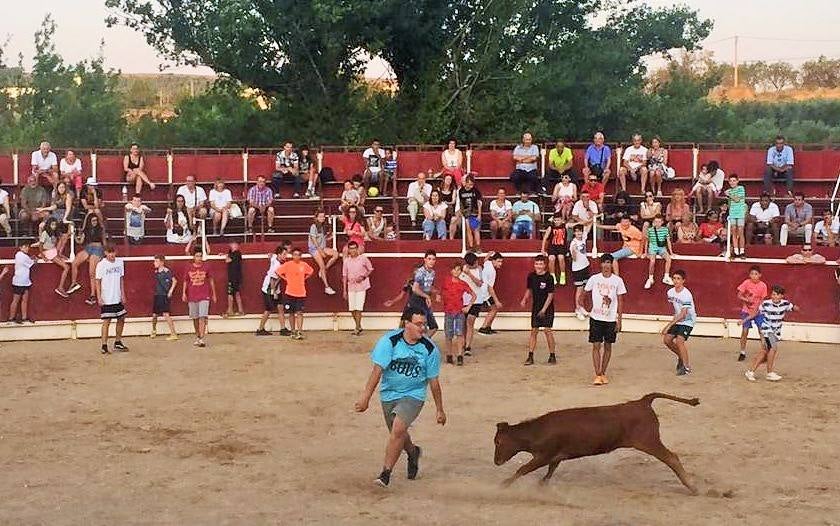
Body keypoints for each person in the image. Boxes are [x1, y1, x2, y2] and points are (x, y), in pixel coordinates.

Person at [354, 307, 446, 487]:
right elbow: (377, 371)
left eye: (425, 324)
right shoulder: (389, 341)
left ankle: (385, 474)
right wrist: (365, 398)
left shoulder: (430, 349)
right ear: (406, 324)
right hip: (389, 394)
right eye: (418, 324)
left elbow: (434, 382)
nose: (423, 328)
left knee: (397, 430)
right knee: (398, 434)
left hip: (414, 394)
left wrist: (439, 409)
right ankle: (413, 452)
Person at [584, 254, 626, 385]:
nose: (607, 265)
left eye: (609, 263)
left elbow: (620, 300)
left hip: (610, 318)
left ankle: (603, 372)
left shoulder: (617, 280)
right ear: (601, 264)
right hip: (596, 317)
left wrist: (619, 319)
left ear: (612, 265)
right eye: (605, 263)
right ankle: (597, 374)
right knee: (596, 345)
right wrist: (587, 308)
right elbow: (585, 294)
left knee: (608, 345)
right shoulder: (594, 279)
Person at [745, 285, 799, 382]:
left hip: (776, 331)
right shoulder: (766, 304)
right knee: (773, 348)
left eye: (776, 295)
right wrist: (745, 320)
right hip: (767, 329)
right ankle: (769, 373)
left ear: (781, 296)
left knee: (764, 352)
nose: (774, 296)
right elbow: (756, 313)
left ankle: (751, 371)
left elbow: (793, 307)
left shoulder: (785, 304)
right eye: (773, 294)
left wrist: (796, 308)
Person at [519, 254, 556, 366]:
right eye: (536, 264)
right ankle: (530, 356)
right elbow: (529, 289)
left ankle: (552, 355)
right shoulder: (531, 276)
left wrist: (544, 309)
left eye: (541, 264)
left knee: (547, 331)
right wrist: (524, 299)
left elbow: (550, 295)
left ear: (545, 265)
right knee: (534, 331)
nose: (538, 266)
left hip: (547, 308)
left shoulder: (549, 278)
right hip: (536, 307)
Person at [661, 269, 695, 376]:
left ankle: (686, 366)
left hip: (688, 320)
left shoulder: (686, 294)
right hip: (678, 319)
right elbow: (676, 309)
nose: (676, 281)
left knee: (680, 341)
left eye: (678, 279)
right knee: (667, 340)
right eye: (674, 278)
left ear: (683, 281)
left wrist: (668, 325)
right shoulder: (670, 292)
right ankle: (681, 356)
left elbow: (683, 314)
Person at [96, 245, 128, 355]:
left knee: (122, 318)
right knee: (107, 321)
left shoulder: (120, 262)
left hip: (117, 296)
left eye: (113, 252)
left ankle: (118, 341)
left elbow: (121, 279)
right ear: (105, 253)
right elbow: (98, 282)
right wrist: (99, 297)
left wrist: (123, 294)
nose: (112, 255)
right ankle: (104, 345)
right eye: (109, 252)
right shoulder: (101, 265)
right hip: (107, 297)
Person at [276, 247, 314, 340]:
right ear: (292, 255)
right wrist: (285, 279)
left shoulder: (303, 265)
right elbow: (278, 272)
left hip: (301, 292)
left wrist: (305, 278)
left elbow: (311, 272)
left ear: (300, 256)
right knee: (291, 313)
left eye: (298, 255)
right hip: (290, 292)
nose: (297, 257)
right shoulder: (288, 264)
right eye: (295, 255)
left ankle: (299, 331)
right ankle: (293, 331)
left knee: (299, 312)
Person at [441, 260, 475, 366]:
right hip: (449, 311)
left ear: (461, 272)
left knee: (459, 334)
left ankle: (460, 355)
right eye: (455, 270)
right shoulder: (446, 281)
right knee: (449, 334)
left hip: (459, 311)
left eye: (458, 270)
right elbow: (441, 293)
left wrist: (468, 307)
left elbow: (474, 295)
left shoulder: (462, 283)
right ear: (451, 271)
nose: (456, 272)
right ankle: (449, 354)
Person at [68, 213, 106, 304]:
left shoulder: (101, 230)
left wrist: (104, 254)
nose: (95, 222)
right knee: (74, 263)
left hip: (97, 249)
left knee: (92, 273)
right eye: (93, 220)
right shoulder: (86, 230)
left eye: (96, 220)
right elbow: (80, 241)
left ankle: (93, 295)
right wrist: (73, 236)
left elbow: (104, 242)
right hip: (88, 248)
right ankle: (74, 283)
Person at [182, 250, 216, 348]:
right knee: (195, 317)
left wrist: (214, 294)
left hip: (204, 295)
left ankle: (201, 338)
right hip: (192, 295)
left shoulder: (206, 267)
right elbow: (185, 281)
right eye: (197, 256)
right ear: (194, 257)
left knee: (202, 316)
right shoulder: (188, 267)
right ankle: (198, 336)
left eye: (200, 256)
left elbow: (211, 280)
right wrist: (184, 293)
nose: (199, 258)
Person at [256, 243, 292, 336]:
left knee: (280, 307)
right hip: (269, 288)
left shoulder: (275, 258)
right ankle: (260, 329)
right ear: (279, 255)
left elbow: (271, 256)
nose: (285, 256)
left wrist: (270, 255)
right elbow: (272, 279)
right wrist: (274, 292)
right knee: (268, 309)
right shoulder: (277, 265)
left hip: (276, 288)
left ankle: (283, 329)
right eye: (284, 254)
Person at [736, 265, 768, 362]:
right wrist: (747, 300)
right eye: (752, 274)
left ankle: (764, 353)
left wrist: (758, 309)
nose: (754, 276)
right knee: (745, 331)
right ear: (749, 275)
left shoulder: (763, 286)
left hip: (758, 311)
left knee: (761, 331)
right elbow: (739, 295)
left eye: (756, 274)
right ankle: (742, 352)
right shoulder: (746, 283)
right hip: (747, 310)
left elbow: (762, 300)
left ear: (760, 275)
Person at [343, 240, 374, 335]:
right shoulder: (346, 261)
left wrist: (363, 276)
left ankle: (357, 328)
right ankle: (359, 325)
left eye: (354, 248)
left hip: (361, 286)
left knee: (359, 308)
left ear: (357, 249)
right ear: (348, 250)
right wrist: (344, 290)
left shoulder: (363, 259)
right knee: (352, 309)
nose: (352, 251)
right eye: (350, 249)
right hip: (351, 286)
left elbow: (370, 269)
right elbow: (344, 276)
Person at [408, 250, 440, 337]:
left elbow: (429, 287)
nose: (431, 261)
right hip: (417, 301)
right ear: (425, 259)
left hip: (425, 301)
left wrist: (437, 293)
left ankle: (423, 343)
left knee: (433, 327)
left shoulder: (432, 272)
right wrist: (427, 296)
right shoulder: (420, 272)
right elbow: (415, 289)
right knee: (421, 326)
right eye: (429, 259)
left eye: (433, 259)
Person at [308, 210, 339, 294]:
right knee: (321, 265)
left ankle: (324, 270)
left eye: (323, 216)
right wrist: (320, 251)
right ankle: (327, 287)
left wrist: (330, 237)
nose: (322, 218)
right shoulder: (313, 226)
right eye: (320, 216)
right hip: (314, 249)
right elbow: (314, 241)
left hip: (323, 247)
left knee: (336, 254)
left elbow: (322, 239)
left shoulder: (322, 227)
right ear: (316, 217)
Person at [37, 217, 70, 297]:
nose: (54, 226)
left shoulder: (54, 233)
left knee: (63, 237)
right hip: (49, 252)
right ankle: (60, 287)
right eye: (52, 224)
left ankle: (60, 287)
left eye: (55, 225)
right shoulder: (45, 233)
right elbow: (40, 245)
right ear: (49, 225)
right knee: (66, 267)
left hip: (53, 251)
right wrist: (42, 255)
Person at [460, 252, 483, 357]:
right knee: (463, 324)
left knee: (470, 321)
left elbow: (479, 283)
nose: (476, 263)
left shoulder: (479, 269)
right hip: (463, 300)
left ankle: (468, 346)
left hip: (476, 300)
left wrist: (469, 273)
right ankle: (464, 344)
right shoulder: (461, 269)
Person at [150, 255, 179, 340]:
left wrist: (170, 291)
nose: (154, 263)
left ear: (162, 262)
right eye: (154, 261)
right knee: (155, 315)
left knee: (166, 314)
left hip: (164, 295)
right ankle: (154, 330)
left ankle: (173, 333)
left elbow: (174, 281)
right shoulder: (156, 271)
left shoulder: (167, 271)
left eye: (156, 261)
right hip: (157, 295)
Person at [476, 251, 504, 335]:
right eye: (499, 261)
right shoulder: (492, 272)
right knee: (494, 308)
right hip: (485, 293)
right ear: (494, 261)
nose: (500, 264)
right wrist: (497, 301)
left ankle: (488, 327)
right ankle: (483, 328)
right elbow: (490, 288)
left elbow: (485, 260)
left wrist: (489, 254)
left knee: (494, 309)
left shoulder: (488, 263)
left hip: (483, 290)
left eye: (501, 261)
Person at [9, 240, 37, 324]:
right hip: (20, 281)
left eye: (27, 246)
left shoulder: (19, 254)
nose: (27, 248)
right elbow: (33, 263)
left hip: (23, 281)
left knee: (22, 299)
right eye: (25, 247)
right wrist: (35, 259)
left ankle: (16, 317)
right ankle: (13, 317)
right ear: (21, 247)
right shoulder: (22, 256)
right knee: (18, 300)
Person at [643, 215, 674, 290]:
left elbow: (668, 241)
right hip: (653, 248)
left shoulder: (665, 230)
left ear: (662, 222)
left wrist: (671, 252)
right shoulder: (650, 230)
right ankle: (650, 278)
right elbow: (647, 241)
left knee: (669, 259)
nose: (657, 223)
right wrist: (645, 252)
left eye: (659, 222)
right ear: (653, 222)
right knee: (652, 261)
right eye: (656, 222)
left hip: (662, 248)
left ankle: (666, 277)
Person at [454, 175, 482, 252]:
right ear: (465, 183)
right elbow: (461, 203)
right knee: (468, 230)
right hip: (466, 213)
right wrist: (463, 213)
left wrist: (479, 214)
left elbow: (479, 203)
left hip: (475, 212)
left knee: (476, 229)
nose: (470, 186)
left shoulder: (475, 191)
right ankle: (471, 246)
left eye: (472, 184)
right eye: (469, 184)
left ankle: (478, 247)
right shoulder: (461, 191)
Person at [569, 224, 590, 320]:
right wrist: (573, 251)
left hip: (585, 266)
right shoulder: (573, 243)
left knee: (584, 289)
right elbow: (574, 258)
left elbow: (588, 225)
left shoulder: (583, 237)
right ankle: (577, 309)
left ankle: (581, 306)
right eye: (577, 231)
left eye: (580, 231)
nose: (579, 233)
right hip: (578, 268)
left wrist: (593, 216)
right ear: (574, 233)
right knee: (579, 289)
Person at [724, 174, 747, 258]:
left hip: (740, 212)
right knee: (733, 231)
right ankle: (736, 251)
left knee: (740, 231)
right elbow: (730, 203)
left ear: (737, 181)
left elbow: (737, 199)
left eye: (734, 180)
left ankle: (742, 251)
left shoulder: (741, 188)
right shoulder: (729, 191)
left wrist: (729, 194)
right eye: (731, 181)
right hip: (733, 212)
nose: (732, 182)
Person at [541, 213, 568, 285]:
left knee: (561, 257)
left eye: (558, 220)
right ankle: (552, 276)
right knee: (551, 259)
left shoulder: (565, 226)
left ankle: (563, 275)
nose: (556, 222)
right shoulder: (550, 227)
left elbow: (577, 224)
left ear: (562, 220)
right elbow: (545, 238)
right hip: (552, 246)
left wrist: (591, 220)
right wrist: (543, 249)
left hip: (562, 246)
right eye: (555, 220)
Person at [224, 242, 244, 317]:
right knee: (236, 293)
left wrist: (226, 256)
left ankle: (230, 310)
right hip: (236, 277)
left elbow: (227, 260)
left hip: (233, 277)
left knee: (231, 294)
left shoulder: (236, 253)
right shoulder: (235, 253)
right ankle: (240, 310)